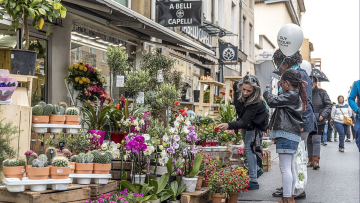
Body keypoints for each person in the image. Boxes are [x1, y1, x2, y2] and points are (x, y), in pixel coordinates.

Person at [271, 49, 316, 200]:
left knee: (296, 160)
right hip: (294, 124)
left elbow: (306, 102)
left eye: (279, 63)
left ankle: (296, 190)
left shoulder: (299, 75)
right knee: (292, 161)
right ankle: (291, 190)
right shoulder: (295, 74)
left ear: (286, 60)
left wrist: (301, 123)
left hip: (295, 124)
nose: (278, 67)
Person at [217, 74, 268, 190]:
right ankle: (256, 169)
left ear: (255, 90)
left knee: (250, 148)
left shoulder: (256, 102)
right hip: (244, 118)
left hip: (255, 122)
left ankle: (254, 180)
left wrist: (229, 125)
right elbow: (239, 107)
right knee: (247, 146)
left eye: (249, 91)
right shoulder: (237, 86)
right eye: (243, 89)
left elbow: (245, 122)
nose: (245, 92)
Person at [263, 69, 307, 203]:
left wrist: (267, 92)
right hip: (291, 135)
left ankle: (287, 198)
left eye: (281, 83)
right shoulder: (294, 95)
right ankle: (290, 196)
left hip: (286, 134)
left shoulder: (291, 95)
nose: (280, 86)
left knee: (285, 168)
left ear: (287, 83)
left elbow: (271, 102)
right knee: (290, 167)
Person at [307, 77, 332, 169]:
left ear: (316, 83)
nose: (310, 84)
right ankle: (310, 160)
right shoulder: (304, 92)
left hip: (319, 120)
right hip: (307, 120)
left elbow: (328, 105)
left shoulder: (322, 92)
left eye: (312, 82)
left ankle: (316, 161)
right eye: (308, 82)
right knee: (309, 140)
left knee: (316, 140)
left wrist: (322, 115)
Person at [348, 80, 360, 151]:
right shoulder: (357, 84)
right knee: (358, 134)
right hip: (359, 115)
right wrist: (358, 110)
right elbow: (351, 99)